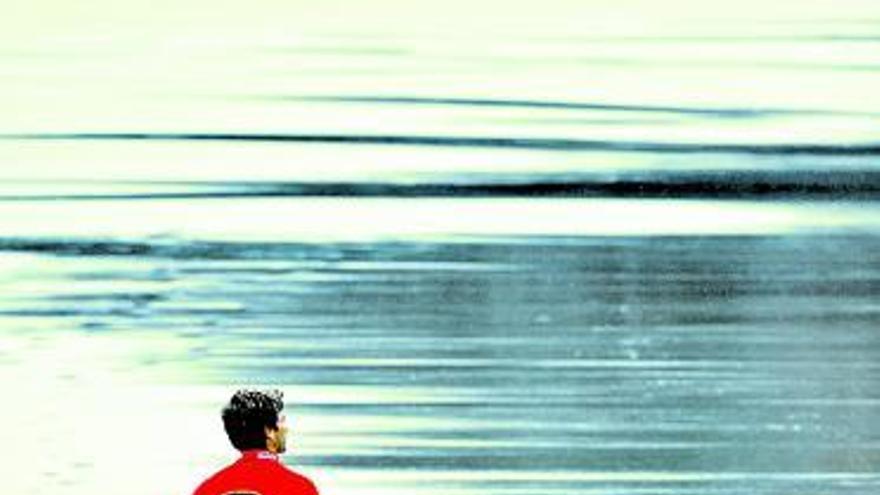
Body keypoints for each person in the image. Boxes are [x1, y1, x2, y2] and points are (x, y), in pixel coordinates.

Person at [192, 389, 319, 495]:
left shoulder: (207, 489)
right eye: (282, 422)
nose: (285, 429)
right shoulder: (300, 488)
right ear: (269, 431)